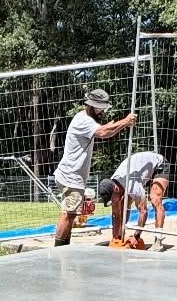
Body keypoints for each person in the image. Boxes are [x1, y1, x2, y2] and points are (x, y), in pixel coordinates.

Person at [52, 87, 136, 245]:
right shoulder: (83, 120)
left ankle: (64, 247)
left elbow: (106, 132)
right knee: (68, 214)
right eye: (99, 109)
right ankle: (59, 250)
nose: (102, 112)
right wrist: (125, 122)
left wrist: (119, 126)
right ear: (90, 106)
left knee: (71, 214)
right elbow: (103, 133)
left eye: (104, 109)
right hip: (71, 176)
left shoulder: (87, 119)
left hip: (72, 176)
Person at [98, 148, 171, 247]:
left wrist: (136, 236)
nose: (113, 202)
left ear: (116, 189)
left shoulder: (133, 187)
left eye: (112, 200)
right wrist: (116, 239)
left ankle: (158, 240)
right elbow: (116, 214)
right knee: (123, 204)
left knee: (155, 199)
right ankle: (119, 235)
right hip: (138, 171)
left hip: (158, 164)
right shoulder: (111, 184)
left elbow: (143, 211)